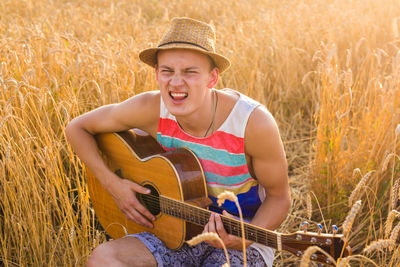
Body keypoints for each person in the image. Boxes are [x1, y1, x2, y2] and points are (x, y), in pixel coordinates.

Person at [65, 17, 290, 267]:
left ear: (212, 78)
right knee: (104, 259)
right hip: (169, 230)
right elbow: (77, 128)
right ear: (157, 74)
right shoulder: (150, 108)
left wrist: (246, 237)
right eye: (167, 71)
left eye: (190, 72)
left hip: (240, 242)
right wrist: (115, 186)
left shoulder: (253, 124)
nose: (175, 82)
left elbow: (279, 197)